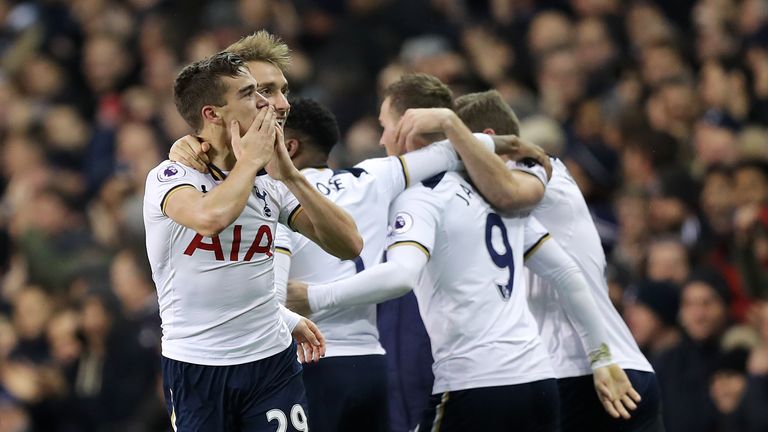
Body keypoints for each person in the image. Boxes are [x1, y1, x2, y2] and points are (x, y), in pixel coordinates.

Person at [169, 75, 546, 431]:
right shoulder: (372, 178)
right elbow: (445, 153)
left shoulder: (273, 199)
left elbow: (273, 293)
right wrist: (505, 143)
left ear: (289, 146)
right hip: (371, 364)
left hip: (312, 362)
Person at [286, 78, 639, 431]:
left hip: (475, 382)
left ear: (410, 126)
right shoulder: (494, 194)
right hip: (538, 380)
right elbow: (566, 272)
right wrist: (601, 357)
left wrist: (314, 296)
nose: (382, 139)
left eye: (385, 126)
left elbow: (402, 275)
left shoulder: (421, 195)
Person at [144, 50, 362, 431]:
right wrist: (248, 163)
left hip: (271, 363)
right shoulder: (171, 176)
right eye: (250, 94)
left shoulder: (270, 181)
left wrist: (290, 174)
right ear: (212, 114)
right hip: (197, 365)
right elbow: (209, 219)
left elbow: (349, 245)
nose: (267, 104)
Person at [442, 89, 664, 431]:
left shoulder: (534, 168)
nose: (450, 160)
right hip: (616, 367)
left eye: (455, 147)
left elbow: (506, 194)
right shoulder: (491, 202)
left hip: (582, 373)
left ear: (486, 140)